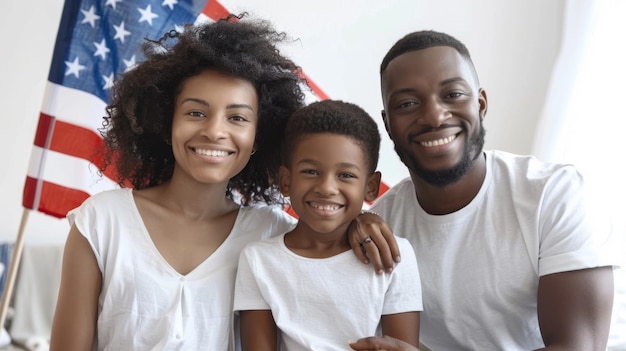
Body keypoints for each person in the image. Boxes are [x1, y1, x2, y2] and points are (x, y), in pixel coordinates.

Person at [49, 14, 308, 351]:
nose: (215, 131)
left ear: (259, 136)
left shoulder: (274, 233)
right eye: (196, 112)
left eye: (237, 118)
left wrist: (364, 225)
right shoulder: (101, 222)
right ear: (166, 122)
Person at [351, 30, 616, 350]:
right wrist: (346, 227)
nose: (434, 116)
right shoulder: (378, 227)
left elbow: (579, 347)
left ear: (481, 104)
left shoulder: (552, 195)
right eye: (408, 103)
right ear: (388, 123)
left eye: (452, 95)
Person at [233, 100, 422, 351]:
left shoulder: (394, 255)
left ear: (370, 187)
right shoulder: (258, 259)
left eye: (346, 175)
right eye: (311, 171)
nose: (326, 188)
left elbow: (401, 347)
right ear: (286, 181)